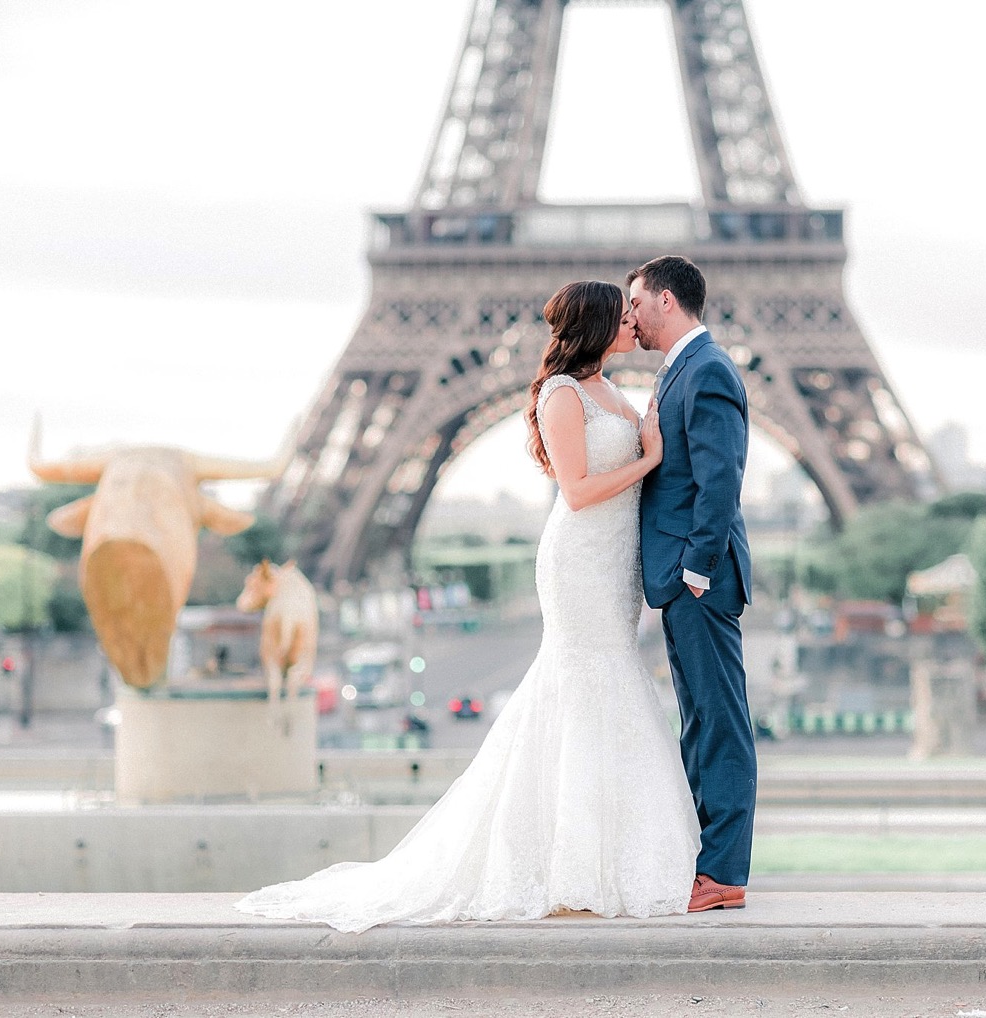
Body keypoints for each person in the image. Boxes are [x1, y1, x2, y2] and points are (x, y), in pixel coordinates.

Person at [235, 280, 699, 933]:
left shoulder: (614, 392)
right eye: (622, 317)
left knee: (608, 679)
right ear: (595, 326)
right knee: (588, 681)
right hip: (580, 558)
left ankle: (602, 858)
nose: (633, 323)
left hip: (615, 564)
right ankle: (570, 864)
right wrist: (649, 457)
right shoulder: (563, 394)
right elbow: (579, 490)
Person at [628, 255, 755, 913]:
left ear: (668, 300)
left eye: (638, 302)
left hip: (697, 580)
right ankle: (708, 864)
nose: (631, 316)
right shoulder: (681, 369)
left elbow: (720, 480)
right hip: (682, 580)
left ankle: (725, 872)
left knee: (720, 723)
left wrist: (697, 571)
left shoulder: (706, 371)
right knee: (701, 722)